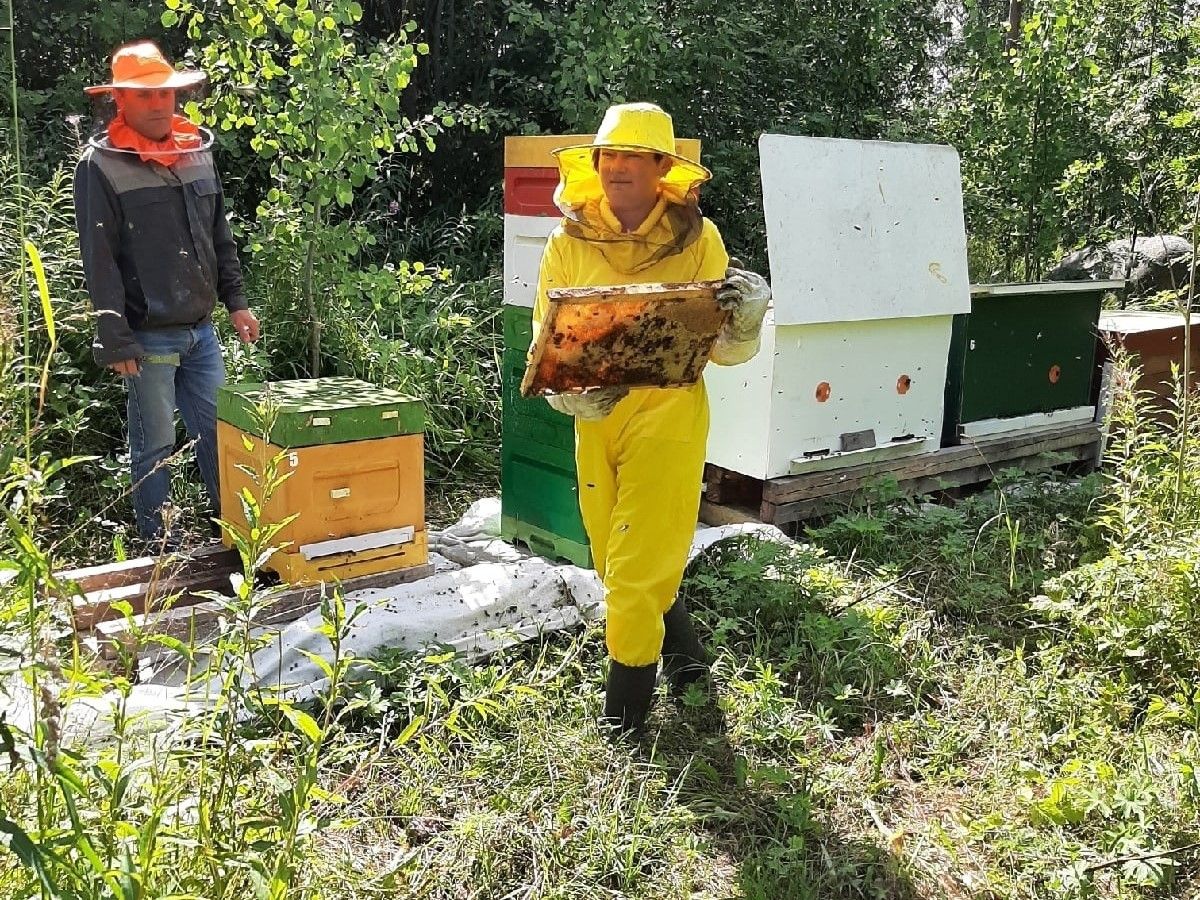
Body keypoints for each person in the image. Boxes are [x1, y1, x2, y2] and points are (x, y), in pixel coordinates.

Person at [532, 103, 771, 733]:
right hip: (598, 419)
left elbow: (719, 349)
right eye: (609, 156)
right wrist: (565, 393)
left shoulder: (700, 241)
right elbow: (547, 338)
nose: (616, 169)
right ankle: (690, 668)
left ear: (662, 168)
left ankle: (625, 727)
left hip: (668, 414)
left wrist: (745, 321)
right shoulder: (567, 241)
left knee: (634, 578)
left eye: (632, 157)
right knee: (616, 559)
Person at [73, 41, 260, 546]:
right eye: (145, 96)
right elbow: (100, 255)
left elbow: (219, 232)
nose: (159, 104)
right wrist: (113, 335)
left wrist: (236, 302)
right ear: (121, 101)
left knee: (222, 435)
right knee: (155, 445)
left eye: (165, 94)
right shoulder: (101, 166)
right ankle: (159, 547)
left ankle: (239, 536)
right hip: (146, 335)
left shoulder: (196, 153)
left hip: (202, 329)